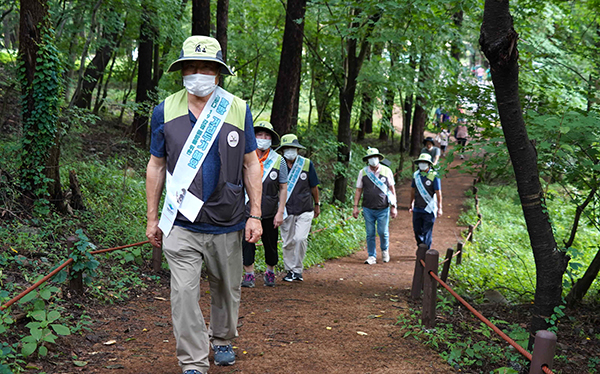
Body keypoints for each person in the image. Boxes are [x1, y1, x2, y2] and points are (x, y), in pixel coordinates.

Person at [145, 35, 263, 374]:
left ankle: (222, 338)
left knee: (227, 290)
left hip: (227, 220)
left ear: (218, 73)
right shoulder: (165, 110)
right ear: (181, 71)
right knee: (183, 293)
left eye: (206, 68)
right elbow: (156, 164)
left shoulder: (237, 108)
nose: (198, 74)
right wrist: (153, 218)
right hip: (181, 222)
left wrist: (255, 213)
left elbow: (251, 163)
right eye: (191, 68)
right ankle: (193, 361)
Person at [241, 121, 287, 288]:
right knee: (247, 243)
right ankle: (249, 274)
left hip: (269, 211)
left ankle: (270, 270)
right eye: (259, 135)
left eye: (266, 136)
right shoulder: (245, 157)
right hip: (247, 210)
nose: (263, 138)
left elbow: (283, 187)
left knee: (270, 243)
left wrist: (280, 211)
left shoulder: (278, 161)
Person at [276, 134, 320, 282]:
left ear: (298, 149)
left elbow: (314, 186)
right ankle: (290, 271)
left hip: (305, 209)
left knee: (300, 238)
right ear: (282, 150)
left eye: (293, 148)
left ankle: (298, 269)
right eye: (287, 148)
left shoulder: (306, 164)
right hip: (286, 209)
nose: (290, 151)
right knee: (288, 242)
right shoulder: (277, 164)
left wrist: (317, 204)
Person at [352, 148, 398, 265]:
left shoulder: (387, 171)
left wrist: (394, 206)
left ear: (378, 158)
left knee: (383, 232)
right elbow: (358, 190)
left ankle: (384, 250)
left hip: (383, 207)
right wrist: (355, 207)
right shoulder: (363, 172)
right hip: (368, 208)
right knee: (370, 233)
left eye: (375, 157)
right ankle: (371, 255)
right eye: (370, 158)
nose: (373, 160)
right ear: (367, 160)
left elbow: (392, 189)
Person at [409, 153, 442, 250]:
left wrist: (440, 208)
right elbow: (412, 190)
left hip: (429, 209)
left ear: (429, 164)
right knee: (417, 230)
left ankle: (425, 251)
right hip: (417, 208)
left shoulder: (433, 175)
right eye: (420, 162)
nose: (422, 164)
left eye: (424, 162)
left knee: (427, 231)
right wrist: (411, 203)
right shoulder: (416, 175)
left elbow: (438, 192)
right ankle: (421, 246)